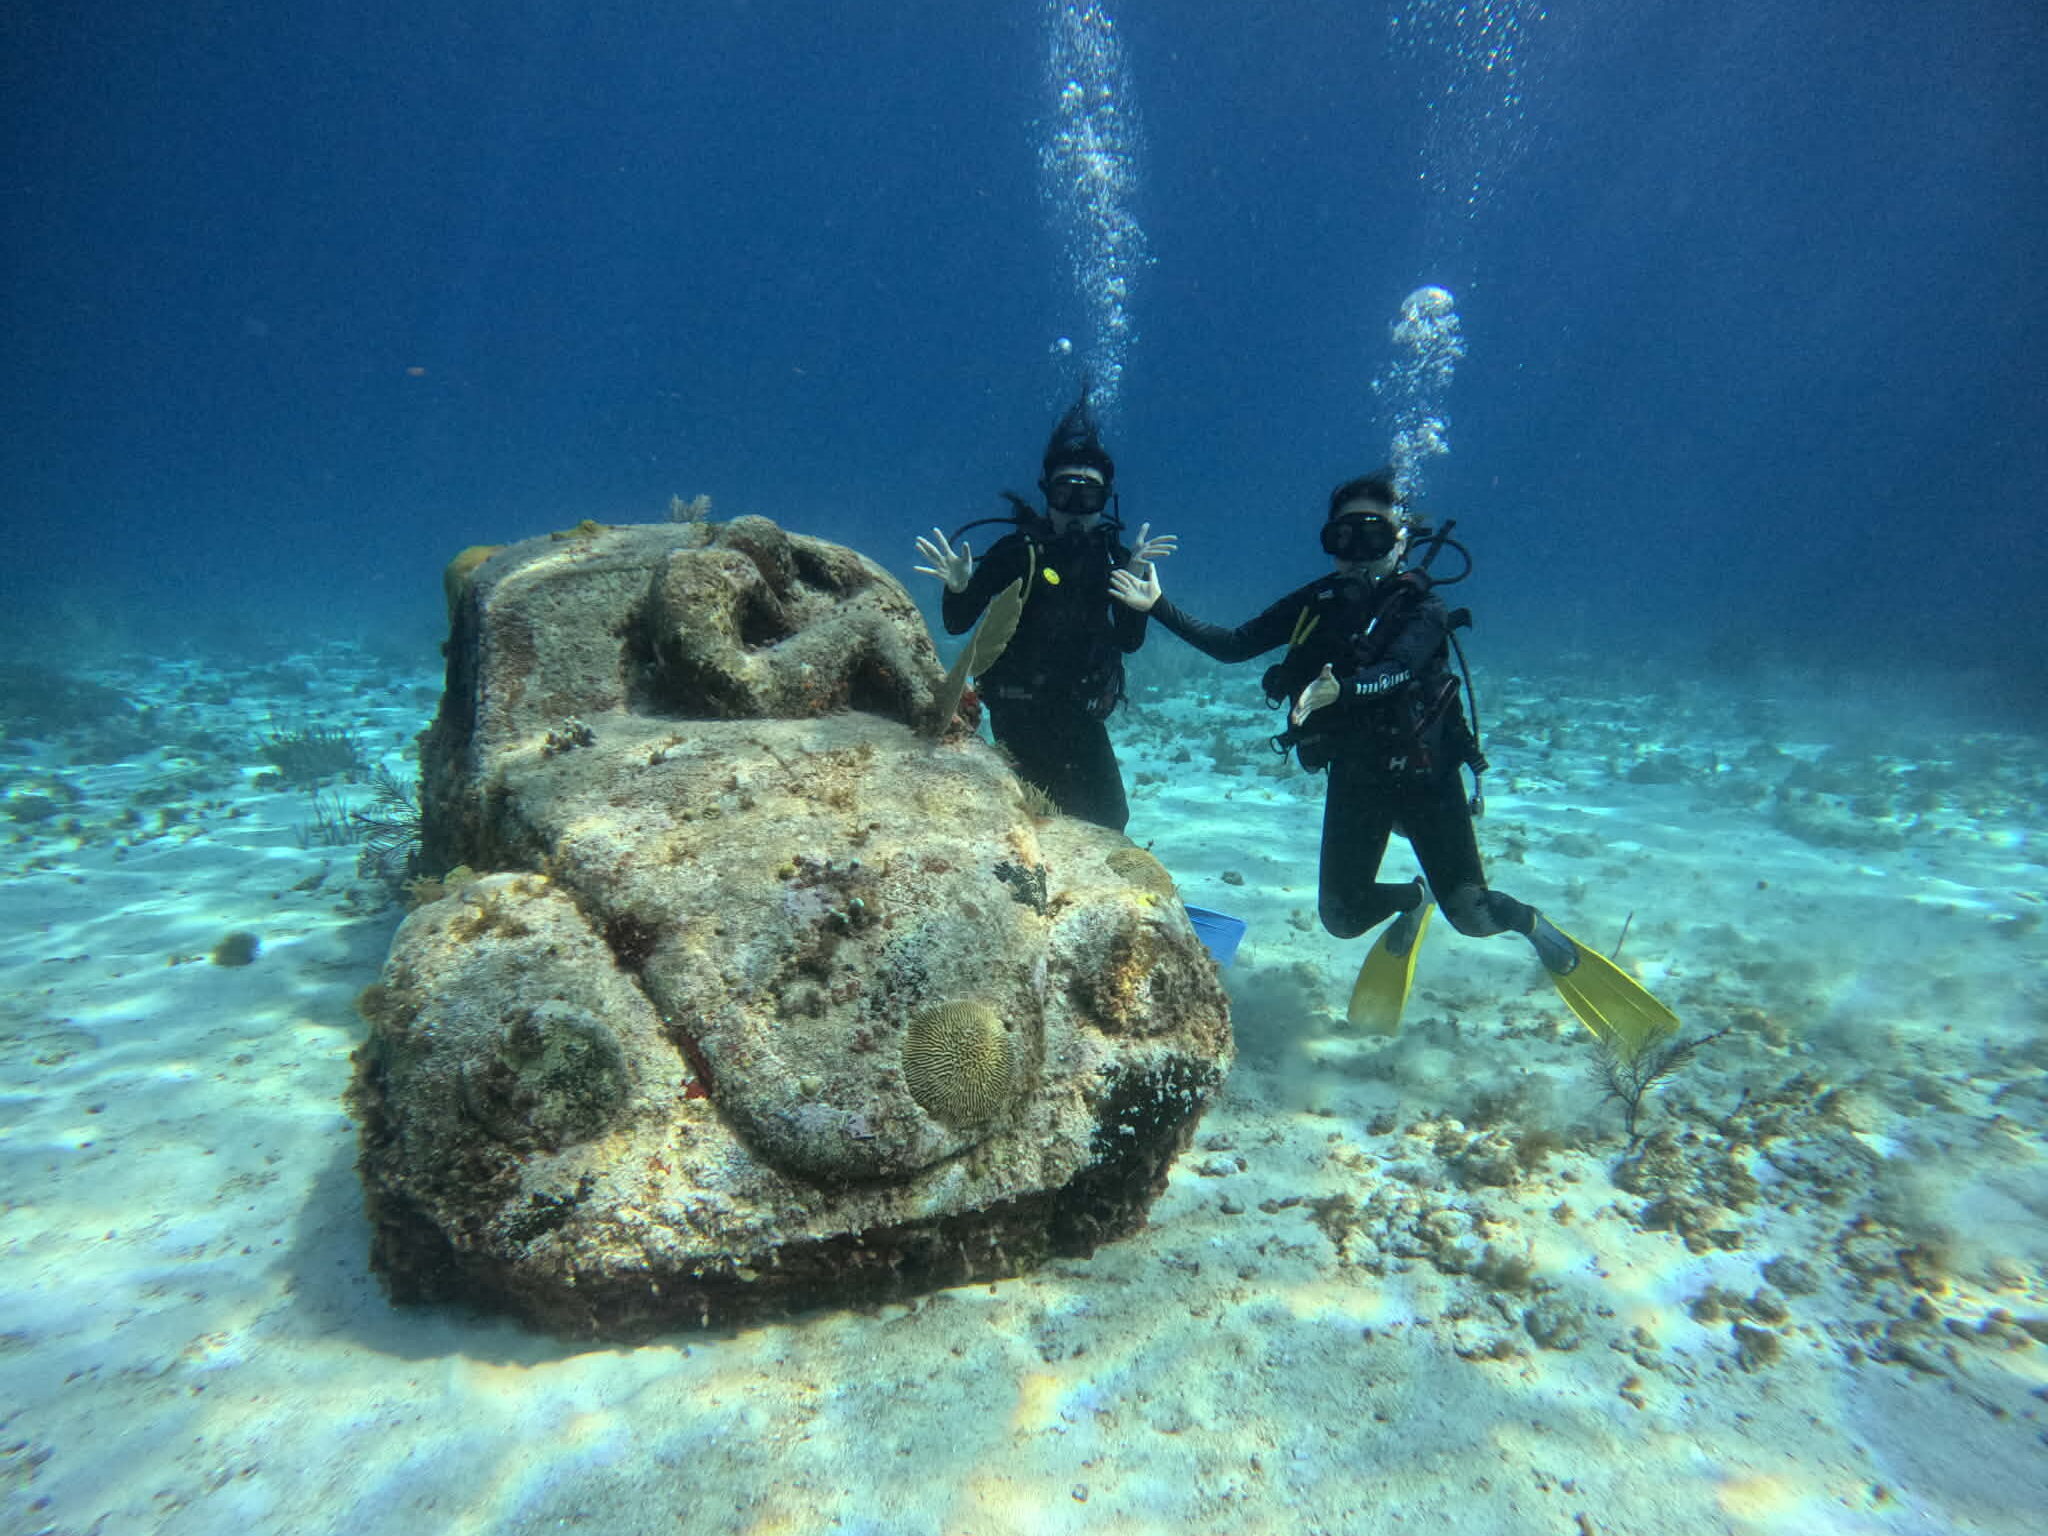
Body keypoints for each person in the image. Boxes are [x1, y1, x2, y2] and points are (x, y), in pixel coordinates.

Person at [1107, 468, 1677, 1049]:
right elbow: (1233, 645)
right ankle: (1413, 899)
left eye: (1372, 536)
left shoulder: (1422, 607)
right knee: (1341, 918)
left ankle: (1532, 925)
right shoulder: (1319, 601)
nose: (1355, 553)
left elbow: (1398, 669)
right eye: (1342, 537)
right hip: (1357, 776)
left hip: (1426, 777)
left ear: (1400, 541)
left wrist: (1342, 690)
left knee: (1472, 917)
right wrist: (1157, 605)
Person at [913, 388, 1176, 833]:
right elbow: (957, 623)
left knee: (1109, 818)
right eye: (1063, 493)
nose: (1075, 509)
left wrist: (1134, 592)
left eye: (1088, 498)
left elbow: (1129, 642)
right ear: (1046, 494)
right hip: (1018, 710)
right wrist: (957, 588)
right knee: (1030, 821)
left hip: (1080, 710)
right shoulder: (1016, 551)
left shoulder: (1116, 560)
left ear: (1105, 501)